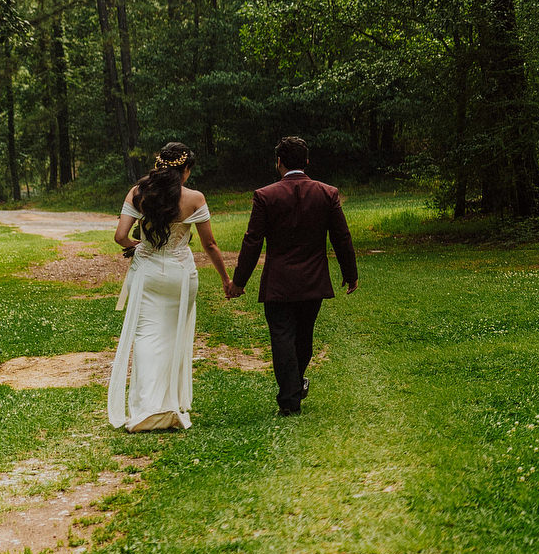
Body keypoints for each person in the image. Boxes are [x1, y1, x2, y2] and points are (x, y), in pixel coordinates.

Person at [108, 142, 235, 432]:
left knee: (145, 338)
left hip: (148, 273)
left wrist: (137, 246)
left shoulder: (138, 192)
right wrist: (226, 280)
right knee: (173, 337)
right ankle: (167, 405)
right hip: (180, 274)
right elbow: (210, 245)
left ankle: (146, 409)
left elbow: (119, 236)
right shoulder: (194, 198)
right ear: (185, 169)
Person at [229, 136, 358, 416]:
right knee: (303, 336)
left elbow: (253, 241)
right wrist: (351, 273)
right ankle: (293, 389)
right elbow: (342, 237)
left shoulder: (265, 196)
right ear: (307, 161)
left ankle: (290, 397)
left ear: (279, 163)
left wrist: (239, 281)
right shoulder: (327, 193)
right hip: (313, 279)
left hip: (279, 280)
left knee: (282, 337)